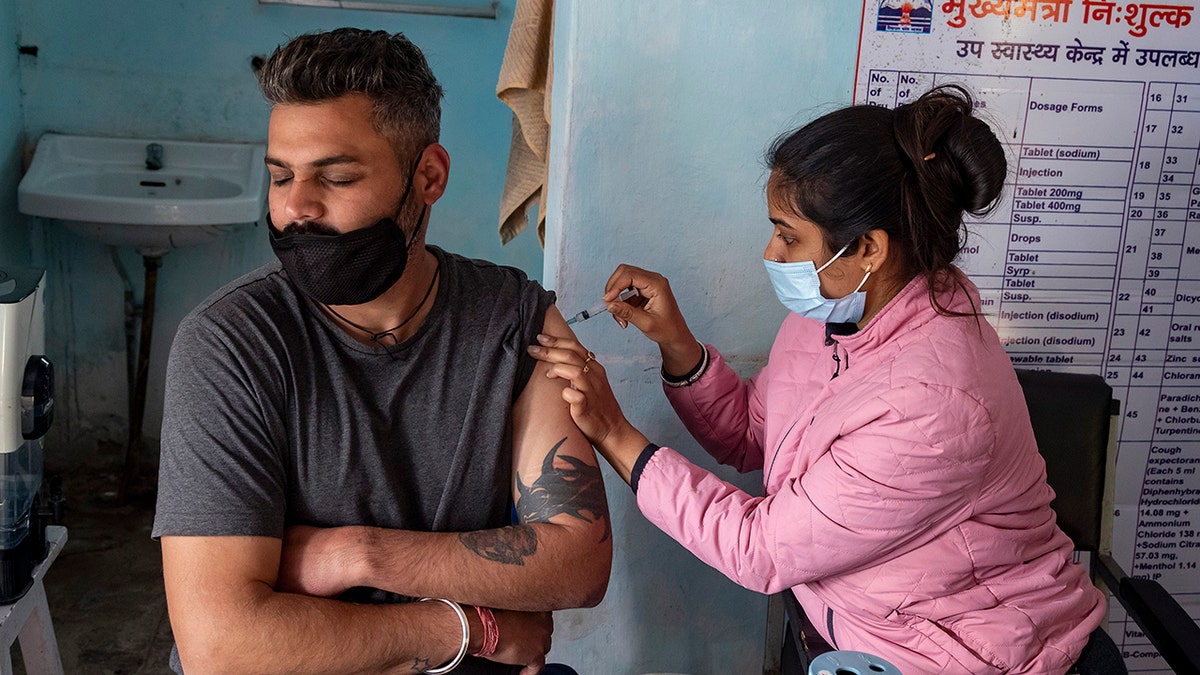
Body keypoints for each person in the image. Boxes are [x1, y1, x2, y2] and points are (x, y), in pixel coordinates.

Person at [528, 85, 1115, 674]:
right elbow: (755, 436)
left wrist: (613, 433)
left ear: (866, 248)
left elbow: (758, 549)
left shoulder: (935, 407)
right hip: (858, 626)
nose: (771, 252)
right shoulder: (837, 314)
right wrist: (677, 343)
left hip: (971, 654)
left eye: (787, 235)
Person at [152, 28, 611, 675]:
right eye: (280, 176)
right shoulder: (230, 344)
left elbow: (579, 562)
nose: (295, 208)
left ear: (428, 176)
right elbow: (222, 646)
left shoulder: (515, 317)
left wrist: (358, 553)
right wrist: (465, 626)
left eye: (334, 177)